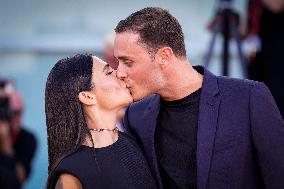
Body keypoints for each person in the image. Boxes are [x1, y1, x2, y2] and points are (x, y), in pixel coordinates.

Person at [113, 7, 284, 189]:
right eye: (118, 62)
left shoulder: (248, 98)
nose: (119, 72)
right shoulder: (136, 116)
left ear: (164, 57)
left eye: (128, 62)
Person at [45, 54, 157, 189]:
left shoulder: (133, 142)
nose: (120, 74)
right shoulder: (71, 176)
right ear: (87, 97)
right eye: (109, 72)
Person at [0, 79, 37, 189]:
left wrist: (5, 144)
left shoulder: (27, 139)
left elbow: (20, 181)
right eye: (13, 112)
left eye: (20, 112)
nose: (18, 118)